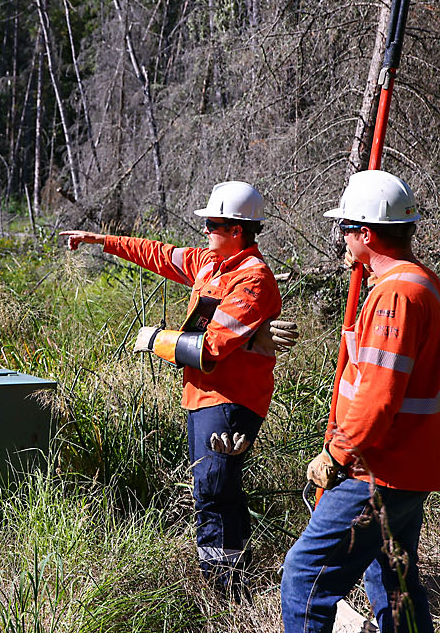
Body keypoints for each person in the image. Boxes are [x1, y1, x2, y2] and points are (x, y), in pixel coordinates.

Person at [231, 169, 440, 633]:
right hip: (408, 466)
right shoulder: (422, 282)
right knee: (392, 569)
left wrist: (337, 455)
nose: (343, 241)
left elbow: (378, 394)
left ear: (366, 233)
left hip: (375, 467)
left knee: (306, 573)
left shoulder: (395, 296)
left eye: (347, 231)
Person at [62, 181, 284, 593]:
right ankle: (238, 584)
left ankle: (224, 591)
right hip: (204, 399)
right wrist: (103, 241)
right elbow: (160, 254)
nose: (205, 231)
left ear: (237, 230)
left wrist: (155, 339)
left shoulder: (252, 280)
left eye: (213, 224)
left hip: (231, 401)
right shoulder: (211, 264)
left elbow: (210, 349)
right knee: (220, 488)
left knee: (213, 491)